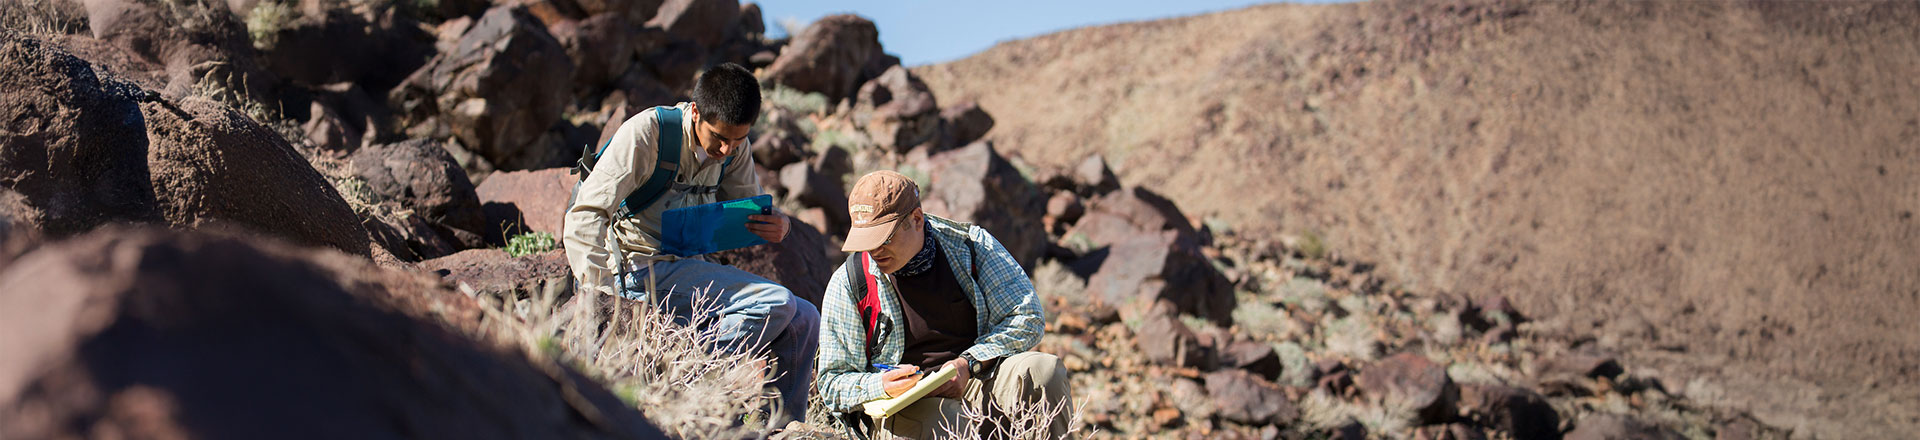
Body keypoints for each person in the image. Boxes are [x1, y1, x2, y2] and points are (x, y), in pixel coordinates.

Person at [562, 63, 817, 421]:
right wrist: (598, 295)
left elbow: (749, 208)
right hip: (633, 270)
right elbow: (585, 214)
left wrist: (781, 225)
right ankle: (685, 382)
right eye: (719, 138)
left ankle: (781, 425)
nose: (727, 150)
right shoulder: (648, 133)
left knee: (804, 317)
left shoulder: (734, 148)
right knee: (776, 304)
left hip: (683, 267)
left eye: (738, 140)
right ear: (695, 111)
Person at [815, 171, 1072, 439]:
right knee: (953, 422)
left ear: (915, 220)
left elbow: (1026, 317)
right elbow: (833, 382)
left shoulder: (971, 246)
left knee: (1044, 372)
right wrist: (880, 385)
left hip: (976, 381)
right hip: (906, 405)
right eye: (866, 240)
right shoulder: (850, 282)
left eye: (884, 238)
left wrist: (968, 363)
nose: (875, 251)